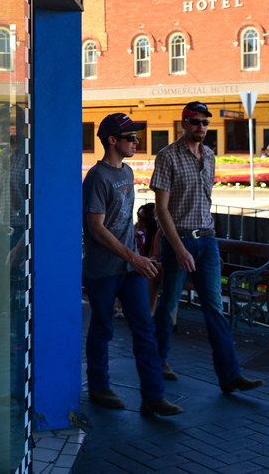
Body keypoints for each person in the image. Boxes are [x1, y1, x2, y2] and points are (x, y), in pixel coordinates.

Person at [150, 101, 264, 394]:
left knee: (215, 308)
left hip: (208, 240)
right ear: (184, 123)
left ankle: (230, 375)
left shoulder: (210, 155)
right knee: (168, 302)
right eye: (195, 121)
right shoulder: (168, 156)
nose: (200, 127)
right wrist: (178, 248)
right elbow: (161, 210)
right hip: (180, 239)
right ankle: (157, 361)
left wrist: (203, 241)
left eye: (205, 122)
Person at [82, 113, 182, 416]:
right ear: (113, 140)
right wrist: (133, 257)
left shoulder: (126, 172)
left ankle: (153, 396)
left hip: (129, 268)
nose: (136, 141)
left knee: (144, 328)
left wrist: (137, 257)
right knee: (103, 328)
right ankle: (99, 387)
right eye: (130, 137)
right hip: (103, 270)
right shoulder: (97, 178)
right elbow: (96, 227)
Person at [135, 202, 162, 314]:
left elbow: (154, 257)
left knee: (149, 272)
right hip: (148, 261)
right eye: (138, 217)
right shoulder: (139, 231)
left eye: (143, 219)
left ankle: (148, 312)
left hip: (162, 265)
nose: (139, 221)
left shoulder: (157, 234)